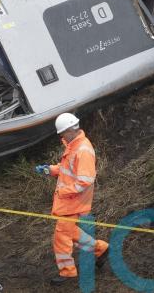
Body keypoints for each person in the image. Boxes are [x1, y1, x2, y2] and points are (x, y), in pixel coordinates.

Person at [36, 113, 109, 286]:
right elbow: (67, 168)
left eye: (62, 133)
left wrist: (63, 191)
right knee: (71, 232)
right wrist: (50, 170)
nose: (61, 137)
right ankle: (101, 249)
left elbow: (85, 180)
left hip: (73, 201)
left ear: (70, 130)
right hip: (70, 200)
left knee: (61, 236)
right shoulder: (74, 145)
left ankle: (67, 272)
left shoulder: (82, 150)